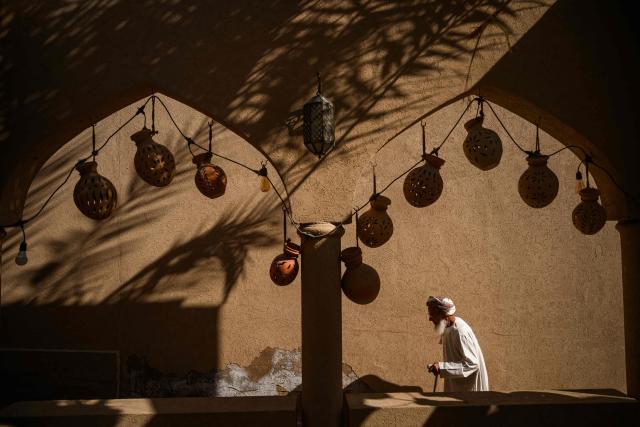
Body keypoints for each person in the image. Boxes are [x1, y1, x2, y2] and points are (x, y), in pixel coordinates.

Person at [426, 295, 489, 391]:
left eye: (432, 314)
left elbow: (472, 363)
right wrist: (440, 366)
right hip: (457, 386)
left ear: (443, 315)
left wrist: (442, 367)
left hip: (469, 391)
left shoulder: (460, 331)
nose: (429, 319)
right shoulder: (447, 327)